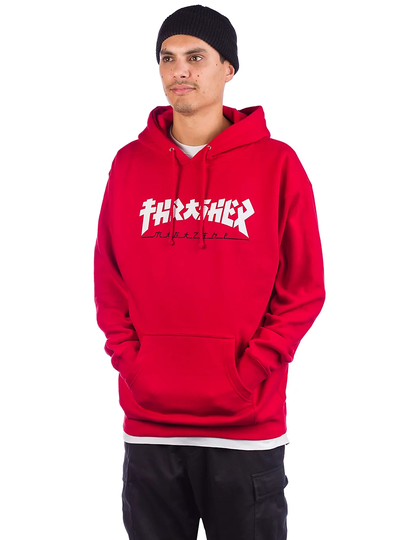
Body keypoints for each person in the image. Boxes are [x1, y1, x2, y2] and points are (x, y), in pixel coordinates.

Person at [94, 5, 325, 540]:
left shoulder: (277, 164)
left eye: (196, 57)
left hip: (247, 431)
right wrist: (135, 366)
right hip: (150, 428)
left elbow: (303, 290)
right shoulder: (129, 164)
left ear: (228, 68)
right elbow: (109, 281)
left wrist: (249, 372)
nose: (180, 70)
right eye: (168, 58)